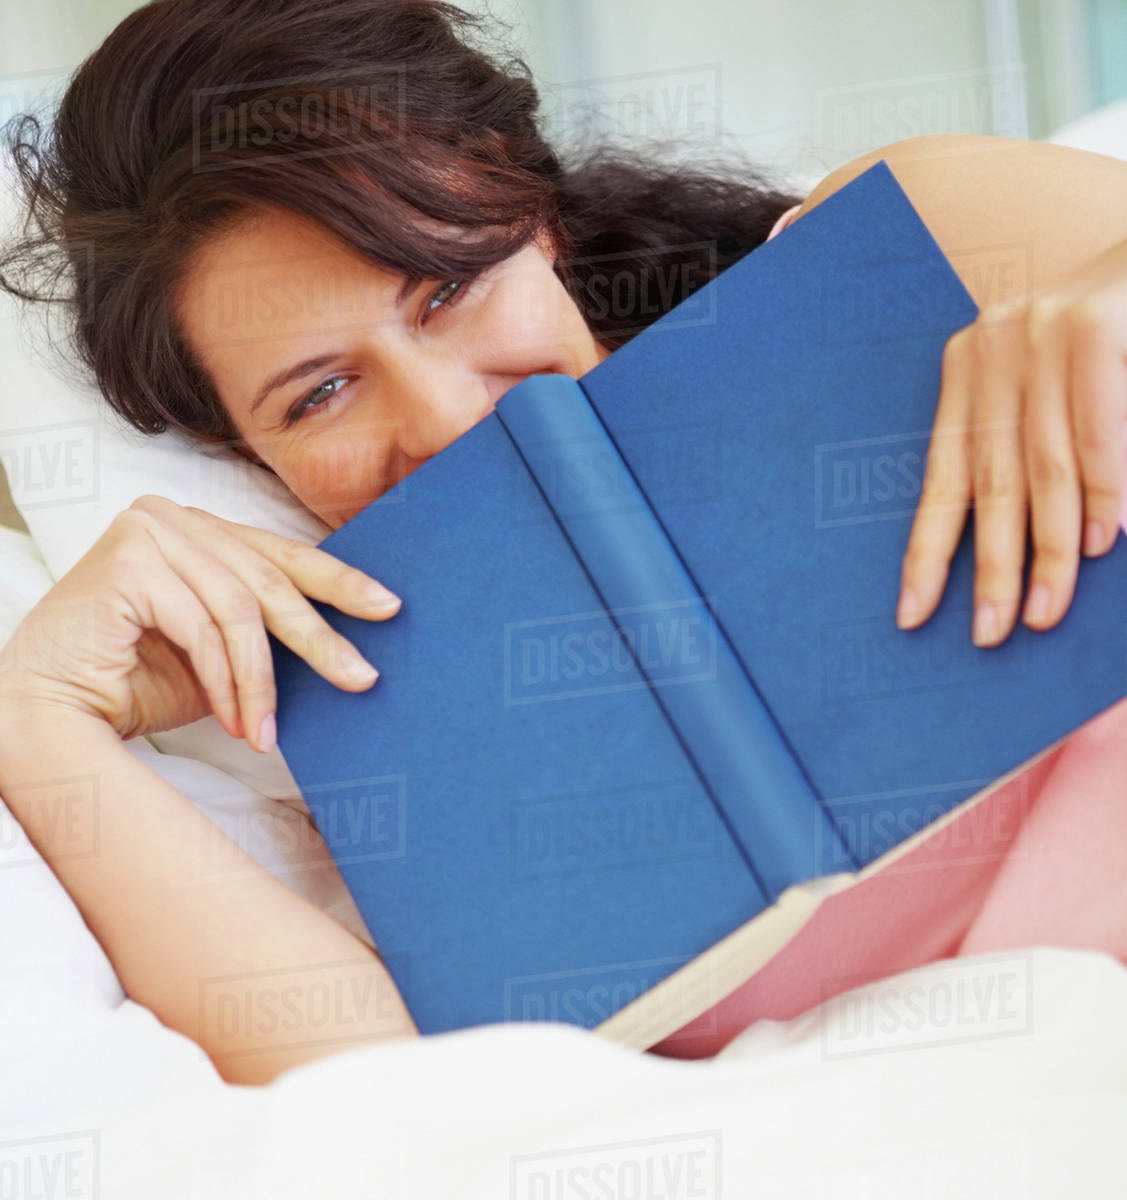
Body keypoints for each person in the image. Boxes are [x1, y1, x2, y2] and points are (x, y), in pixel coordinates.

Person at [1, 0, 1126, 1087]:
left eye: (449, 289)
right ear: (241, 449)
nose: (447, 420)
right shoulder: (375, 714)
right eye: (322, 393)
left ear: (528, 209)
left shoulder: (880, 256)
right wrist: (40, 721)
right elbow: (380, 1113)